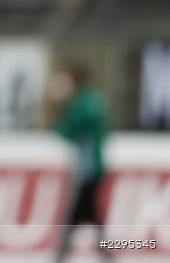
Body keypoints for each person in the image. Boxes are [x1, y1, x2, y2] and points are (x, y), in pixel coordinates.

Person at [50, 63, 111, 263]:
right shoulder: (85, 101)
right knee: (91, 217)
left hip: (89, 169)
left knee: (76, 215)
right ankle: (106, 254)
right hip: (87, 169)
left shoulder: (85, 101)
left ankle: (61, 255)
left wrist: (61, 105)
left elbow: (71, 128)